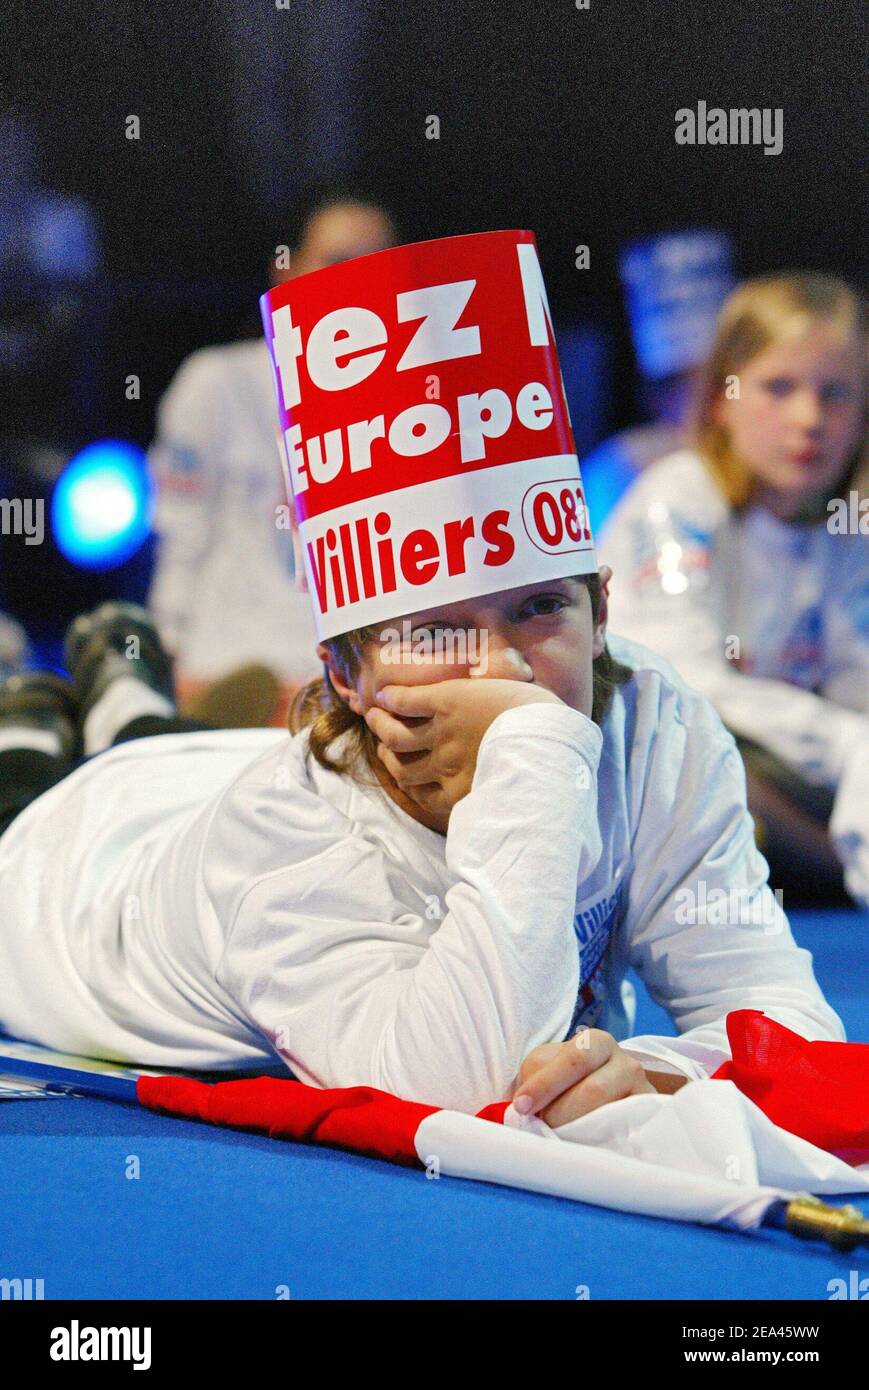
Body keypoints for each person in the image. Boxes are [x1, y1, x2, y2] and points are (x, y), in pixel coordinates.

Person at [0, 235, 845, 1132]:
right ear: (345, 672)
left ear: (602, 609)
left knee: (155, 756)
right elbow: (465, 1093)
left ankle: (122, 704)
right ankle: (53, 720)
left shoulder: (649, 717)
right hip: (59, 881)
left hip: (204, 779)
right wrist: (534, 737)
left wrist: (650, 1073)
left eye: (536, 609)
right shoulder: (279, 844)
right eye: (439, 629)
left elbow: (784, 1025)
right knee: (29, 801)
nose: (502, 671)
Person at [599, 273, 868, 906]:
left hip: (796, 767)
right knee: (694, 755)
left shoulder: (850, 525)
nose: (809, 419)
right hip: (667, 767)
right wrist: (845, 742)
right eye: (778, 388)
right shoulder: (679, 499)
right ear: (721, 398)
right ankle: (828, 868)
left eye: (836, 395)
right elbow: (682, 682)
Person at [146, 188, 398, 706]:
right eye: (337, 262)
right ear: (287, 270)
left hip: (349, 684)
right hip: (227, 672)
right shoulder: (215, 380)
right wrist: (162, 664)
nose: (355, 282)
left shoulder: (417, 395)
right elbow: (180, 533)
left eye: (377, 266)